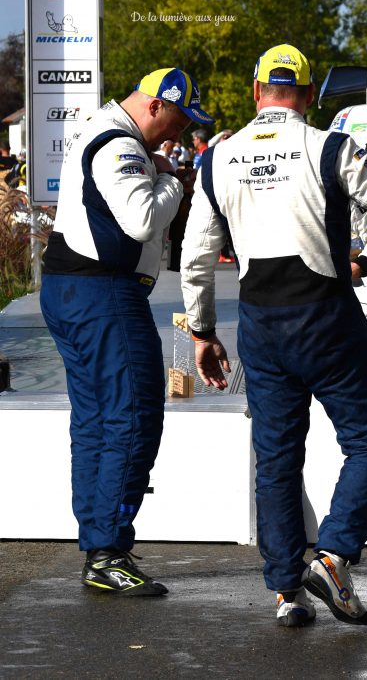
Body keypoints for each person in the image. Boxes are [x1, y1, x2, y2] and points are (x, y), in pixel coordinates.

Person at [180, 44, 367, 628]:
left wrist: (202, 330)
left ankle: (286, 590)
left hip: (259, 321)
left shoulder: (218, 157)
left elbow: (195, 255)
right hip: (324, 315)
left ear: (256, 91)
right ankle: (335, 556)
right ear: (310, 94)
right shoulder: (328, 146)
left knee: (277, 459)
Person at [40, 67, 211, 596]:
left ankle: (99, 545)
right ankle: (108, 550)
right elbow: (141, 221)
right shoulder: (121, 143)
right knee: (132, 417)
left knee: (95, 421)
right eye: (180, 121)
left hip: (77, 290)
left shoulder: (103, 131)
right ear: (157, 106)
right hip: (103, 294)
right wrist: (171, 180)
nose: (180, 135)